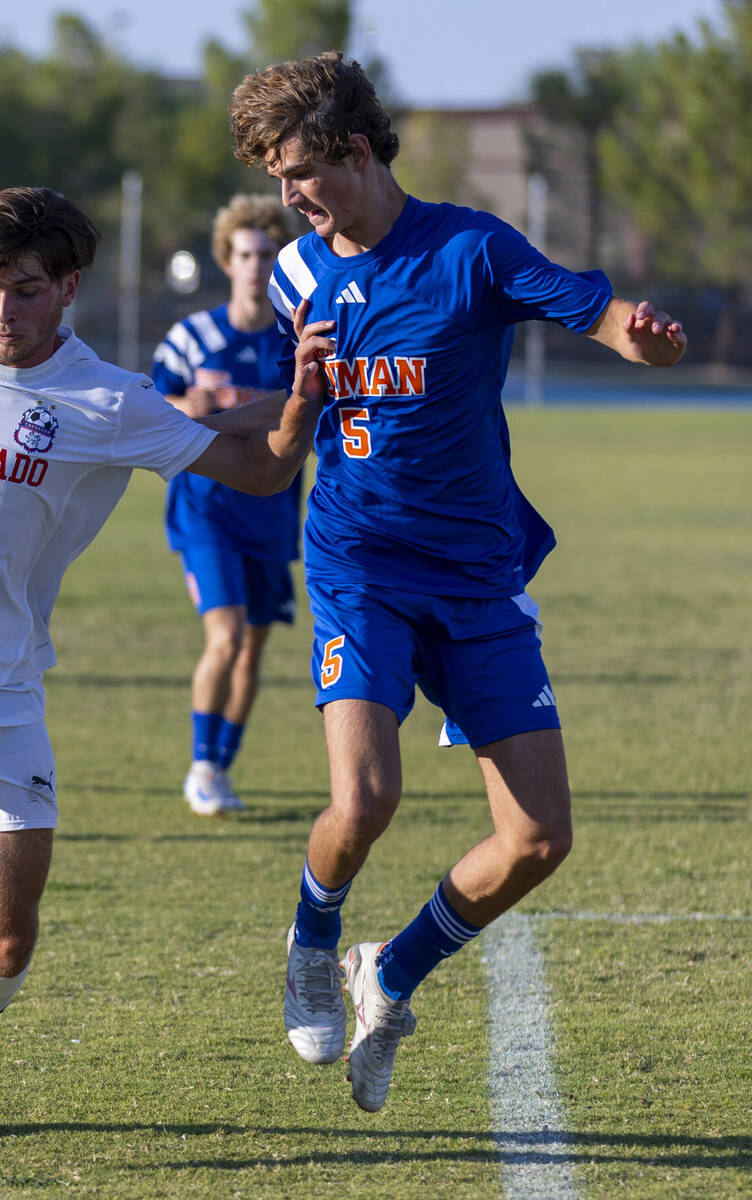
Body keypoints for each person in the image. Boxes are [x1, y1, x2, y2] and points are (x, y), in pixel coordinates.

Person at [229, 52, 686, 1113]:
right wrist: (241, 416)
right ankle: (312, 938)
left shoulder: (471, 250)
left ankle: (386, 974)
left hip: (478, 579)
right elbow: (293, 418)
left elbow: (602, 316)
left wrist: (647, 342)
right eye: (270, 174)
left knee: (537, 841)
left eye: (294, 170)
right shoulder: (301, 273)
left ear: (352, 149)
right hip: (358, 565)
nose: (287, 197)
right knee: (365, 797)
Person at [0, 186, 327, 1139]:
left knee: (4, 943)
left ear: (67, 289)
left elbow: (260, 467)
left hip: (1, 682)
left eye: (22, 291)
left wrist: (305, 396)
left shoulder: (105, 401)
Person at [152, 195, 301, 816]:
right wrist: (213, 409)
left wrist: (221, 410)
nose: (257, 266)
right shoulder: (191, 338)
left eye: (268, 253)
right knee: (227, 635)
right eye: (245, 254)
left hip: (272, 510)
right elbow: (153, 412)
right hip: (205, 509)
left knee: (254, 646)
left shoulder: (299, 339)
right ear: (226, 259)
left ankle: (219, 768)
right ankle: (202, 765)